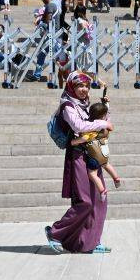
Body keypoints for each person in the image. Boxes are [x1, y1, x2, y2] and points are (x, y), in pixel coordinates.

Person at [45, 72, 112, 254]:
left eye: (86, 86)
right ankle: (55, 232)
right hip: (77, 157)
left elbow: (99, 124)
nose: (83, 90)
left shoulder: (84, 105)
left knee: (100, 201)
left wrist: (105, 109)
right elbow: (79, 127)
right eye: (79, 86)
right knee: (85, 202)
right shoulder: (68, 105)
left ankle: (89, 242)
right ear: (71, 87)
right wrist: (101, 125)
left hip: (91, 155)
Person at [69, 95, 122, 197]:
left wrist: (72, 142)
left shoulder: (91, 126)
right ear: (103, 115)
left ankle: (102, 190)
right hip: (104, 152)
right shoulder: (105, 123)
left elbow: (83, 139)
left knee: (92, 174)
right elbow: (107, 115)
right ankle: (116, 178)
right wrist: (106, 104)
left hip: (94, 155)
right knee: (106, 165)